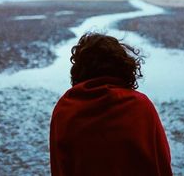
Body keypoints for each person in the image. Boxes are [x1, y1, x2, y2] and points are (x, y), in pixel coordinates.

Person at [49, 32, 172, 176]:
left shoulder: (65, 108)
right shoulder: (140, 106)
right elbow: (161, 162)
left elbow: (59, 167)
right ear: (124, 67)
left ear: (79, 70)